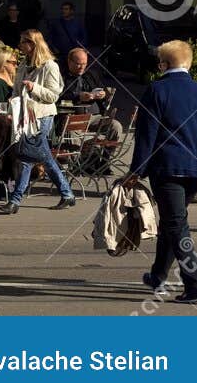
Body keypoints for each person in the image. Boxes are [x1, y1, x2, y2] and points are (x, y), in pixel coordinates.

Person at [128, 40, 197, 303]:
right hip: (193, 168)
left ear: (162, 64)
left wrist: (136, 171)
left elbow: (147, 135)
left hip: (167, 168)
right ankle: (158, 275)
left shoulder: (157, 90)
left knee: (176, 224)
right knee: (173, 220)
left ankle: (193, 281)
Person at [0, 28, 74, 214]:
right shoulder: (24, 66)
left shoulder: (50, 66)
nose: (20, 46)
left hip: (42, 116)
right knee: (43, 158)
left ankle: (15, 201)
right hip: (25, 117)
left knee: (26, 157)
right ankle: (67, 194)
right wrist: (10, 107)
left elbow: (53, 95)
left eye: (23, 42)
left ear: (33, 44)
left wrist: (34, 88)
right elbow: (16, 93)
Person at [56, 47, 111, 117]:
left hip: (94, 115)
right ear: (69, 61)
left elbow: (104, 90)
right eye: (78, 64)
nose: (82, 67)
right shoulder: (61, 76)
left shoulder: (91, 74)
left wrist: (103, 94)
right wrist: (77, 97)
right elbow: (59, 100)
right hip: (71, 117)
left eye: (84, 64)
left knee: (115, 126)